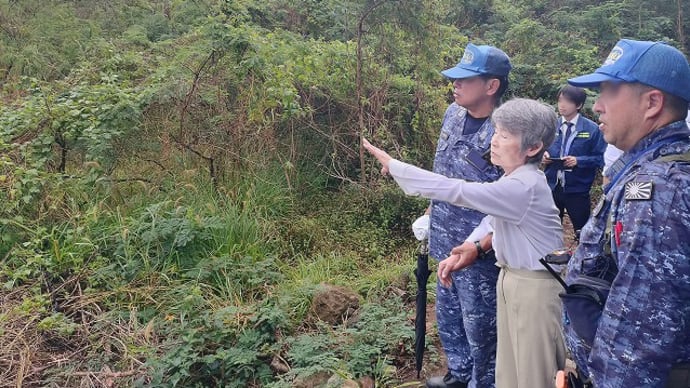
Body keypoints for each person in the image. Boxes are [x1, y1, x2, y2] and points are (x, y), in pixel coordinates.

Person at [363, 98, 566, 388]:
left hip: (533, 289)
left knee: (533, 376)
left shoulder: (524, 186)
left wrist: (396, 167)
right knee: (510, 373)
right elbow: (492, 221)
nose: (494, 141)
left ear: (533, 148)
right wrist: (469, 246)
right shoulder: (516, 180)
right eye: (495, 132)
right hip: (514, 282)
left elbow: (458, 190)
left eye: (505, 136)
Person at [564, 39, 690, 387]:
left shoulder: (658, 189)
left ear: (652, 103)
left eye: (609, 91)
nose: (598, 106)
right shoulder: (651, 169)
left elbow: (639, 334)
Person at [415, 43, 511, 388]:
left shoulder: (508, 132)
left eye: (465, 79)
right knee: (449, 315)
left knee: (482, 326)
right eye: (454, 78)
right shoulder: (452, 114)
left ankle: (483, 382)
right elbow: (442, 170)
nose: (455, 84)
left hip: (479, 253)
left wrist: (481, 247)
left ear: (491, 86)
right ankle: (458, 374)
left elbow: (512, 203)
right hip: (444, 238)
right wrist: (430, 212)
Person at [543, 85, 606, 240]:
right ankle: (551, 261)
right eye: (560, 101)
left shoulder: (592, 129)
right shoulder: (551, 126)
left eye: (567, 102)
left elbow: (601, 158)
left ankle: (583, 261)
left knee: (583, 232)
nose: (562, 105)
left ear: (578, 105)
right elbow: (538, 147)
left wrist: (578, 161)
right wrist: (542, 156)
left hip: (577, 189)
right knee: (548, 230)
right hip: (552, 186)